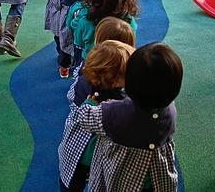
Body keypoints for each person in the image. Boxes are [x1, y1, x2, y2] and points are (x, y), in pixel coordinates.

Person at [75, 43, 183, 192]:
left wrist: (90, 103)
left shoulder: (114, 112)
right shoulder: (170, 110)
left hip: (122, 180)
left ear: (129, 83)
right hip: (156, 180)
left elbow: (84, 118)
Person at [58, 40, 135, 192]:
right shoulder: (120, 101)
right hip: (93, 155)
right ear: (114, 78)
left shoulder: (84, 82)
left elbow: (71, 96)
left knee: (70, 181)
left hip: (76, 149)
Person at [68, 0, 139, 61]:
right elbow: (130, 43)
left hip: (93, 62)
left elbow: (78, 42)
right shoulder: (128, 20)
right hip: (120, 62)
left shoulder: (85, 19)